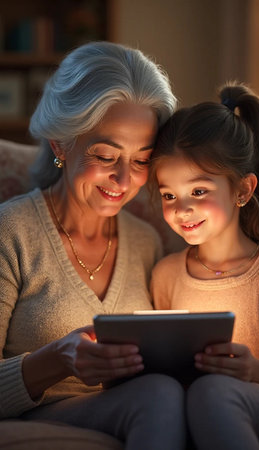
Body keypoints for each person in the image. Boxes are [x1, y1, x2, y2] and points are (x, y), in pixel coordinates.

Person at [0, 41, 187, 450]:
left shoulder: (146, 242)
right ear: (60, 145)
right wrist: (56, 360)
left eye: (141, 161)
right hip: (44, 420)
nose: (123, 181)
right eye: (105, 155)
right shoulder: (10, 232)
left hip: (138, 418)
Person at [149, 82, 259, 449]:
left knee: (214, 393)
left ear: (242, 190)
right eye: (169, 194)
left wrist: (254, 370)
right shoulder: (165, 274)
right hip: (190, 406)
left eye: (199, 191)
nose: (181, 209)